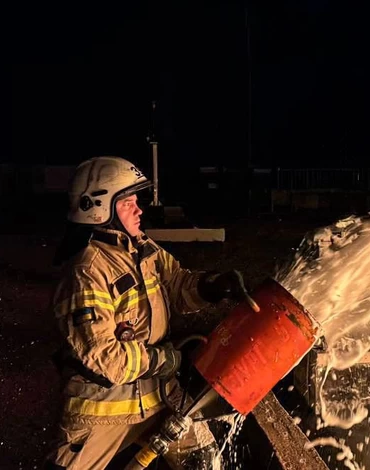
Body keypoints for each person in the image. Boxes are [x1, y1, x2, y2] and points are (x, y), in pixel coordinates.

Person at [45, 156, 257, 470]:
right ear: (97, 208)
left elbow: (178, 284)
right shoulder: (88, 271)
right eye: (128, 202)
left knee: (203, 461)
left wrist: (213, 286)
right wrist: (163, 360)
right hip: (105, 410)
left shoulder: (141, 248)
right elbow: (105, 358)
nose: (139, 209)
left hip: (159, 397)